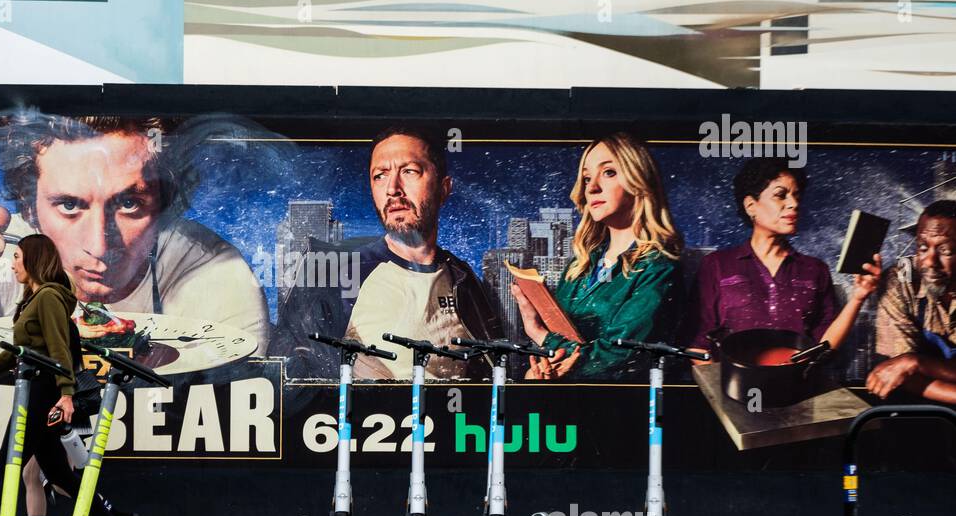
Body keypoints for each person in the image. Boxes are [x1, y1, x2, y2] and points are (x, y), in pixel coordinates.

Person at [0, 112, 270, 354]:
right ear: (29, 208)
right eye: (69, 205)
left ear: (165, 206)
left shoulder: (215, 275)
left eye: (129, 204)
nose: (98, 246)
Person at [0, 234, 139, 516]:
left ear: (35, 260)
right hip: (34, 389)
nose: (12, 264)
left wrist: (66, 395)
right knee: (58, 472)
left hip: (41, 393)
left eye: (18, 257)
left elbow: (58, 350)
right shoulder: (34, 298)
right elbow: (21, 354)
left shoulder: (49, 298)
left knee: (7, 467)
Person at [272, 126, 501, 379]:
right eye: (380, 175)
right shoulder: (338, 274)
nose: (393, 189)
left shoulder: (463, 278)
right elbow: (286, 383)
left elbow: (489, 379)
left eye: (409, 171)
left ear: (443, 188)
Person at [513, 133, 682, 382]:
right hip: (564, 403)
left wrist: (538, 333)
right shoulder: (579, 266)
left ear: (639, 180)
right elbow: (559, 348)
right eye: (587, 177)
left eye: (609, 172)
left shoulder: (658, 267)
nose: (591, 188)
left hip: (617, 408)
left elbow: (620, 355)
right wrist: (540, 370)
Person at [679, 155, 881, 354]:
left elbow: (823, 348)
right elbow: (697, 345)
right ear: (751, 206)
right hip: (732, 385)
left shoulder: (815, 270)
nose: (793, 203)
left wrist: (858, 298)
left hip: (798, 385)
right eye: (780, 195)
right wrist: (723, 386)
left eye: (797, 196)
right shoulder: (717, 265)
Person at [867, 200, 956, 404]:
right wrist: (907, 365)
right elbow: (897, 374)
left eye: (946, 251)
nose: (930, 262)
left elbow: (906, 367)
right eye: (923, 248)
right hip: (923, 410)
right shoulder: (899, 280)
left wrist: (915, 362)